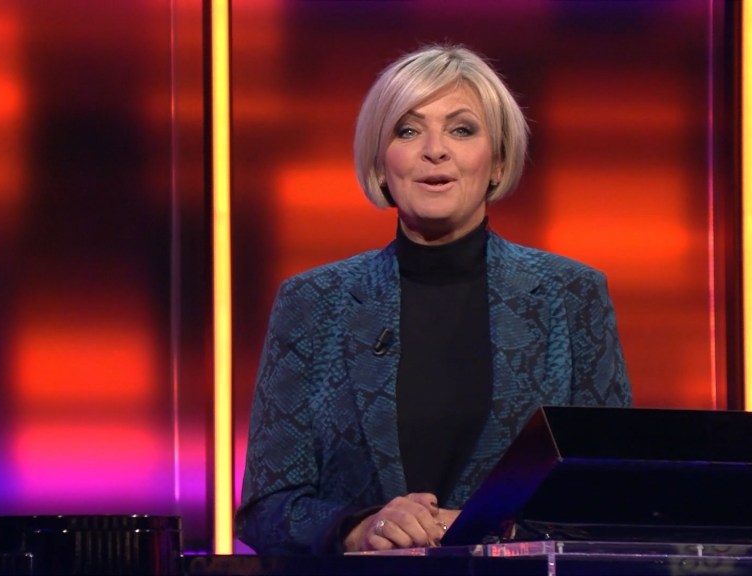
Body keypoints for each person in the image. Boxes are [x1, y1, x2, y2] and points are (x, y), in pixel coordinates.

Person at [235, 44, 631, 555]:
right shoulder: (313, 302)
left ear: (498, 161)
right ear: (381, 164)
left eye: (462, 130)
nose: (435, 150)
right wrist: (361, 528)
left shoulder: (572, 295)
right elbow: (267, 509)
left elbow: (609, 495)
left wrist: (490, 527)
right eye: (407, 130)